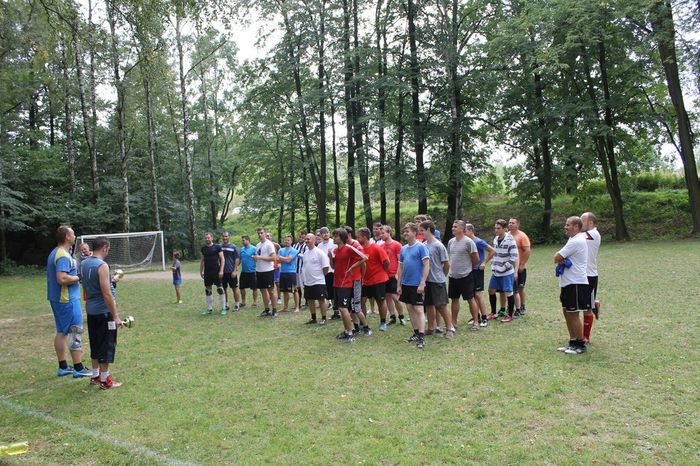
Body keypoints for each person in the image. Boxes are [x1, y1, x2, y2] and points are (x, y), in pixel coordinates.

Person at [46, 225, 91, 378]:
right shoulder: (63, 255)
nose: (75, 236)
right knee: (75, 331)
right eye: (73, 234)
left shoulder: (55, 252)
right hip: (67, 300)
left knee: (62, 332)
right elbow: (62, 278)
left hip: (57, 299)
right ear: (67, 237)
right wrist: (79, 277)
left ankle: (63, 367)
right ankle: (78, 368)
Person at [80, 236, 123, 389]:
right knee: (106, 344)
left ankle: (95, 376)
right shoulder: (102, 265)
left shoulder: (84, 263)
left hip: (91, 310)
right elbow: (106, 294)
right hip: (104, 312)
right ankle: (105, 380)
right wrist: (116, 316)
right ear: (105, 247)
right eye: (108, 248)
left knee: (95, 343)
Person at [555, 216, 590, 354]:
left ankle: (580, 344)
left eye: (568, 225)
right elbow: (560, 257)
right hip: (568, 282)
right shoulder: (572, 239)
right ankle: (572, 342)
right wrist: (561, 258)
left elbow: (557, 257)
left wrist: (560, 258)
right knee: (567, 311)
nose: (565, 227)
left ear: (576, 227)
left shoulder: (576, 241)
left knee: (573, 313)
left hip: (576, 282)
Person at [331, 228, 369, 341]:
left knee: (344, 308)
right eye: (333, 236)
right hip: (336, 282)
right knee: (341, 308)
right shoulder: (335, 250)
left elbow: (364, 257)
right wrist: (330, 257)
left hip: (345, 283)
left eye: (336, 236)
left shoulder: (349, 248)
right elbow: (334, 267)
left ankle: (351, 333)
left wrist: (352, 267)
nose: (333, 238)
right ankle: (347, 331)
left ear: (342, 237)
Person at [396, 223, 430, 349]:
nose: (405, 233)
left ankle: (421, 337)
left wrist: (422, 283)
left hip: (417, 284)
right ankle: (416, 333)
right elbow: (400, 268)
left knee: (419, 310)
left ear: (415, 233)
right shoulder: (403, 249)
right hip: (406, 284)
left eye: (407, 231)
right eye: (404, 231)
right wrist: (399, 285)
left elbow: (426, 265)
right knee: (410, 308)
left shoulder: (421, 247)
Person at [420, 221, 453, 339]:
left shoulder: (439, 245)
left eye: (422, 230)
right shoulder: (423, 245)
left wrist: (442, 276)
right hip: (427, 280)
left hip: (437, 280)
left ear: (429, 229)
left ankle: (449, 328)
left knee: (441, 305)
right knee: (429, 304)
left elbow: (446, 264)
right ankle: (431, 328)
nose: (421, 233)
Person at [447, 220, 480, 331]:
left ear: (462, 229)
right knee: (454, 299)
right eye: (453, 226)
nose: (453, 228)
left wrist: (468, 268)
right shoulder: (451, 242)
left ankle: (476, 321)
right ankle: (453, 322)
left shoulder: (468, 242)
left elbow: (476, 258)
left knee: (470, 299)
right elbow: (451, 257)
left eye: (455, 227)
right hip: (453, 276)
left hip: (466, 276)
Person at [357, 227, 390, 331]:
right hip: (365, 281)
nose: (357, 239)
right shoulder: (360, 250)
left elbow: (386, 261)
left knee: (381, 301)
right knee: (361, 301)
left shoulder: (376, 248)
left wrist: (381, 271)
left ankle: (383, 322)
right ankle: (363, 323)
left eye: (359, 237)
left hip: (378, 280)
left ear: (364, 237)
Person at [487, 219, 519, 323]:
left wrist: (504, 267)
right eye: (495, 228)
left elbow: (514, 257)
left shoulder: (510, 240)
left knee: (509, 292)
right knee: (491, 290)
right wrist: (493, 264)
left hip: (506, 272)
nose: (496, 230)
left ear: (505, 229)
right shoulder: (495, 239)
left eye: (498, 228)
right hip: (495, 271)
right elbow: (495, 253)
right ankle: (493, 312)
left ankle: (510, 315)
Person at [465, 224, 495, 327]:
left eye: (465, 231)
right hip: (469, 270)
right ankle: (475, 317)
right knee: (471, 295)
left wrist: (484, 263)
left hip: (477, 270)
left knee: (478, 294)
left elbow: (492, 251)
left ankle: (484, 317)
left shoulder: (478, 241)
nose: (464, 233)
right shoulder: (466, 242)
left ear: (471, 230)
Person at [301, 233, 330, 325]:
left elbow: (325, 266)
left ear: (314, 240)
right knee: (310, 299)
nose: (306, 241)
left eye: (308, 239)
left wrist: (321, 276)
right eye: (306, 239)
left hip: (318, 281)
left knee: (321, 300)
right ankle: (313, 318)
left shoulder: (319, 252)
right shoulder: (305, 253)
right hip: (308, 281)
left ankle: (324, 318)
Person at [581, 211, 601, 344]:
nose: (579, 223)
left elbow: (575, 234)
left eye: (582, 221)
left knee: (586, 308)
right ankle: (594, 303)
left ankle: (585, 337)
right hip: (580, 275)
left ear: (591, 223)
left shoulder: (593, 234)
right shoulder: (584, 235)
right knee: (581, 303)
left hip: (590, 275)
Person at [380, 225, 406, 326]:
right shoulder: (381, 246)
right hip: (384, 276)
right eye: (380, 233)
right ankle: (392, 316)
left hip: (394, 275)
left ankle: (401, 316)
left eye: (383, 233)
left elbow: (401, 261)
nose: (381, 235)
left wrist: (397, 274)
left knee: (396, 297)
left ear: (389, 233)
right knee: (387, 297)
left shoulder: (397, 245)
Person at [508, 217, 531, 317]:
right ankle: (510, 306)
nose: (510, 224)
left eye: (513, 223)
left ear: (517, 225)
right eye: (509, 222)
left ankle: (522, 305)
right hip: (509, 267)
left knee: (520, 287)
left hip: (520, 267)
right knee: (510, 288)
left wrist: (522, 264)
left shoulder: (522, 236)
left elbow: (527, 250)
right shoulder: (507, 235)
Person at [254, 228, 278, 317]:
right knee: (263, 290)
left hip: (268, 270)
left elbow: (273, 258)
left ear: (265, 233)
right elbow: (258, 256)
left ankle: (274, 310)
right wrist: (255, 258)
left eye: (261, 233)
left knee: (271, 290)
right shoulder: (258, 245)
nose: (260, 235)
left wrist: (260, 257)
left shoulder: (269, 244)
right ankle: (267, 309)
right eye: (258, 233)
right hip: (259, 270)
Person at [199, 232, 225, 315]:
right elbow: (202, 260)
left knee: (220, 289)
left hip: (216, 271)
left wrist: (221, 270)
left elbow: (222, 259)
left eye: (208, 237)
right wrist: (201, 271)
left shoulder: (217, 247)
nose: (207, 239)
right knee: (208, 290)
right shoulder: (203, 248)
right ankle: (209, 309)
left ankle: (223, 308)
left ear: (212, 238)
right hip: (207, 272)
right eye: (206, 238)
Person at [317, 227, 339, 319]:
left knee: (338, 291)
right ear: (321, 235)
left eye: (327, 232)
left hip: (336, 270)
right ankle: (336, 311)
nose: (325, 234)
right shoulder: (319, 246)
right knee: (330, 292)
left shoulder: (333, 242)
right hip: (327, 271)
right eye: (323, 233)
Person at [278, 235, 300, 312]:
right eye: (286, 240)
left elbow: (288, 260)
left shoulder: (294, 250)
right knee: (284, 291)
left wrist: (281, 258)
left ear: (291, 241)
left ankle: (297, 307)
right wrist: (284, 258)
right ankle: (285, 307)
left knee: (294, 290)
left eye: (288, 240)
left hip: (291, 273)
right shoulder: (281, 250)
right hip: (282, 272)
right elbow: (278, 260)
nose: (287, 241)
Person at [220, 231, 241, 312]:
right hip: (222, 272)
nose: (224, 238)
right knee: (223, 289)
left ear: (229, 237)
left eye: (226, 236)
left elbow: (237, 259)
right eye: (223, 236)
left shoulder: (233, 247)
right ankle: (226, 304)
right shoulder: (219, 247)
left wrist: (235, 271)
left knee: (234, 288)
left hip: (231, 272)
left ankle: (237, 305)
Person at [238, 235, 259, 307]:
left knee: (254, 288)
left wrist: (255, 258)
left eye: (243, 240)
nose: (242, 241)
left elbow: (257, 259)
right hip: (243, 272)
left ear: (248, 240)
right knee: (241, 287)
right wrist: (236, 267)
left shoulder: (254, 248)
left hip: (252, 272)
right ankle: (243, 302)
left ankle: (255, 302)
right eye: (242, 240)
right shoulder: (242, 249)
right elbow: (239, 259)